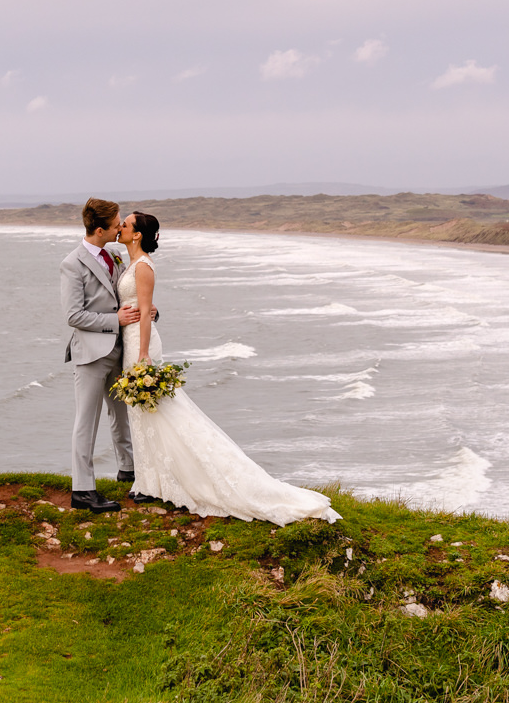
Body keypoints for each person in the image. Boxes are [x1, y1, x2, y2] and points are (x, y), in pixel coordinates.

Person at [114, 210, 340, 526]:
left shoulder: (144, 267)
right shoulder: (131, 264)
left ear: (137, 234)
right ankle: (150, 482)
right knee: (144, 413)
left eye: (124, 224)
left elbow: (147, 311)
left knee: (159, 410)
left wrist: (142, 355)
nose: (119, 227)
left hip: (142, 345)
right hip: (132, 337)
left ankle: (162, 482)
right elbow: (140, 305)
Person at [60, 198, 142, 512]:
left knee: (121, 416)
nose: (121, 227)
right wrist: (114, 321)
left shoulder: (115, 256)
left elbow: (123, 295)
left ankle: (128, 470)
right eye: (117, 224)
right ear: (99, 230)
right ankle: (82, 490)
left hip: (119, 351)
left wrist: (145, 312)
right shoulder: (72, 263)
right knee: (86, 422)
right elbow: (73, 316)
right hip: (91, 355)